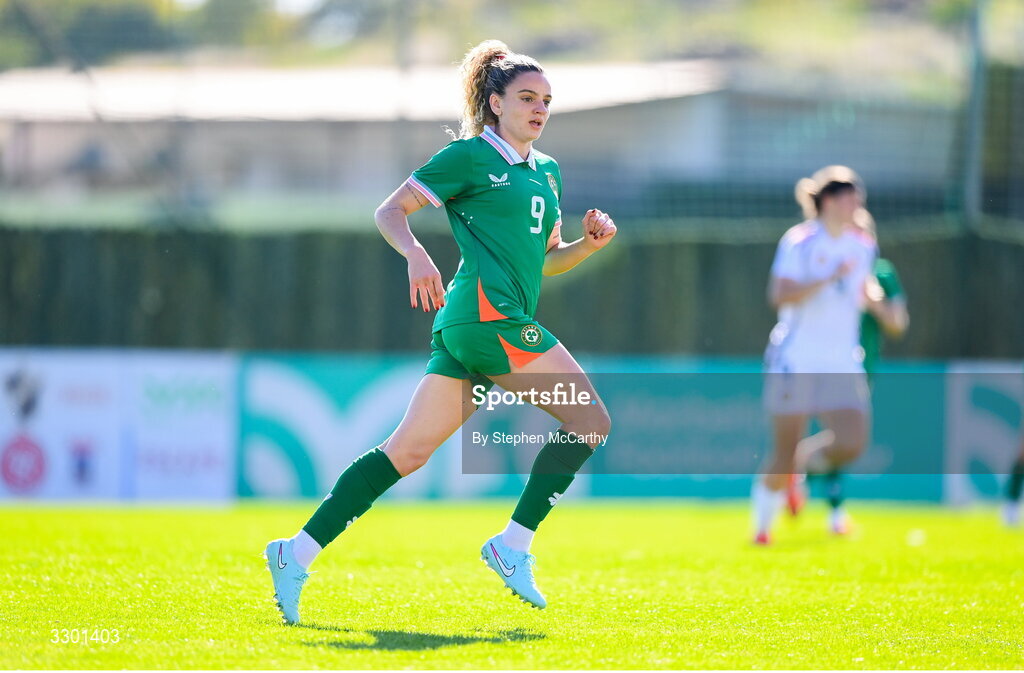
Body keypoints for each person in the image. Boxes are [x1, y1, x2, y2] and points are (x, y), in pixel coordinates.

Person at [263, 39, 617, 622]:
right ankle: (513, 544)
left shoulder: (547, 172)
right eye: (527, 97)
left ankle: (294, 553)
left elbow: (545, 260)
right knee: (591, 420)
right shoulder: (469, 156)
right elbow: (389, 211)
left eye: (547, 101)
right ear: (494, 102)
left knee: (406, 452)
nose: (539, 109)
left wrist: (587, 245)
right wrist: (415, 255)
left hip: (476, 323)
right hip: (488, 318)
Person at [754, 166, 881, 545]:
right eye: (848, 198)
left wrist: (881, 304)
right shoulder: (800, 241)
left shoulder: (864, 245)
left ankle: (803, 466)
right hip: (797, 357)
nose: (855, 206)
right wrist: (825, 279)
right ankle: (762, 528)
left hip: (842, 358)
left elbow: (861, 289)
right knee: (783, 449)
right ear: (828, 201)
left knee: (852, 442)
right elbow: (779, 294)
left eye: (858, 199)